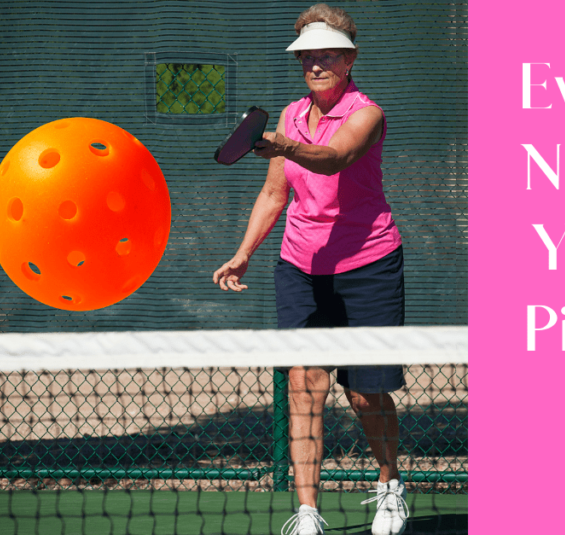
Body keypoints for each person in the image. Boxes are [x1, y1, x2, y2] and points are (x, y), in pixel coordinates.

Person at [212, 5, 407, 535]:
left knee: (365, 391)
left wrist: (286, 145)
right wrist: (245, 251)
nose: (315, 64)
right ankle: (307, 513)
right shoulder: (291, 114)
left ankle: (390, 487)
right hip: (300, 265)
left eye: (326, 55)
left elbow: (335, 158)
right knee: (304, 384)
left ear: (349, 59)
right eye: (307, 56)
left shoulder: (367, 113)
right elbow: (276, 191)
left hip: (368, 261)